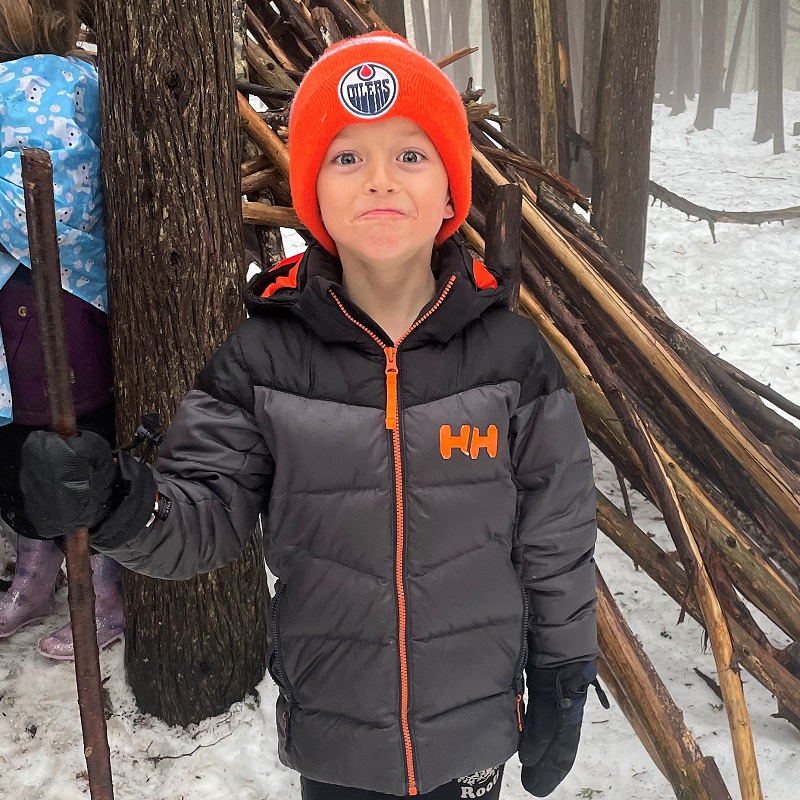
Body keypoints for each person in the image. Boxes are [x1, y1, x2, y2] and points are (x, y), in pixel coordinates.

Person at [20, 32, 602, 798]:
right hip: (335, 738)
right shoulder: (265, 361)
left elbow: (555, 534)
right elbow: (203, 514)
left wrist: (563, 668)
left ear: (452, 191)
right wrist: (122, 504)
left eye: (411, 155)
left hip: (472, 731)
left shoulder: (511, 359)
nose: (380, 181)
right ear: (313, 191)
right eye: (347, 157)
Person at [0, 0, 123, 659]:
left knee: (71, 441)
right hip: (44, 300)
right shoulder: (85, 83)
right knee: (29, 443)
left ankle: (101, 594)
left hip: (57, 295)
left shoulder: (68, 86)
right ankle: (38, 574)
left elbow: (62, 192)